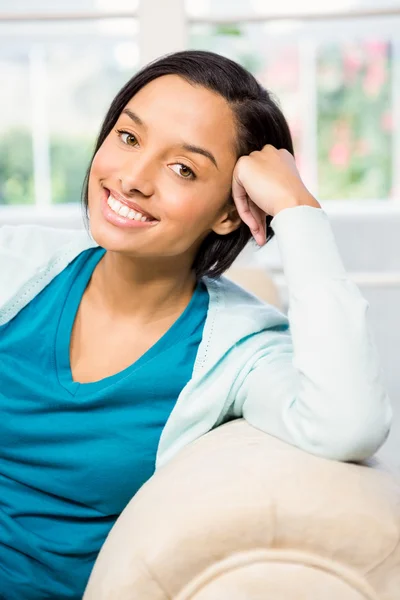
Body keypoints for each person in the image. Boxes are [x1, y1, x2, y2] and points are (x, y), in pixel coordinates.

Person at [0, 50, 392, 599]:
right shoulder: (15, 263)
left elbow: (349, 423)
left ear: (229, 211)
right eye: (129, 138)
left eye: (183, 169)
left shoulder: (238, 349)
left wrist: (299, 212)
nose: (132, 179)